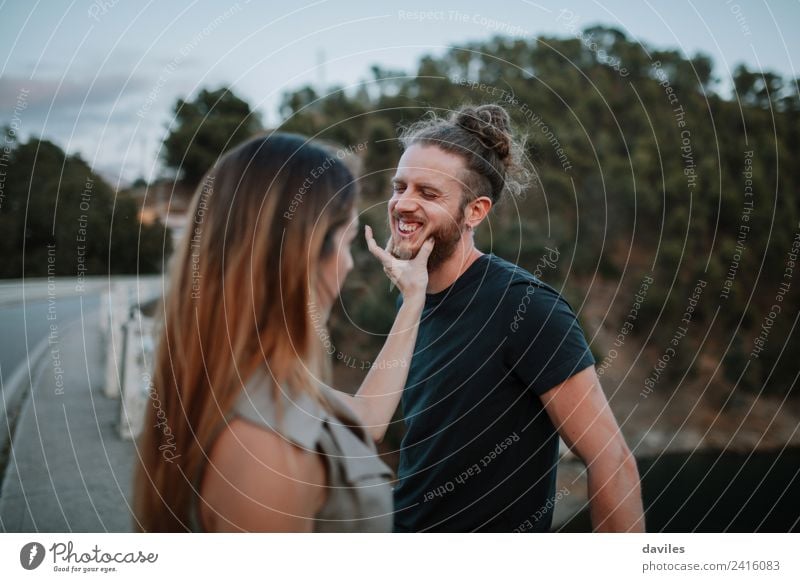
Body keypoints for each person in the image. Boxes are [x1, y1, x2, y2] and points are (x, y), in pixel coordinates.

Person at [132, 132, 433, 532]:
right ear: (304, 256)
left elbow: (365, 419)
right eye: (346, 242)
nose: (347, 265)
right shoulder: (267, 456)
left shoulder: (251, 379)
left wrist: (413, 299)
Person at [386, 104, 646, 532]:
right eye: (400, 186)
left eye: (428, 194)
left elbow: (612, 461)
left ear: (475, 211)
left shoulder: (525, 309)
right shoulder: (410, 298)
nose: (403, 203)